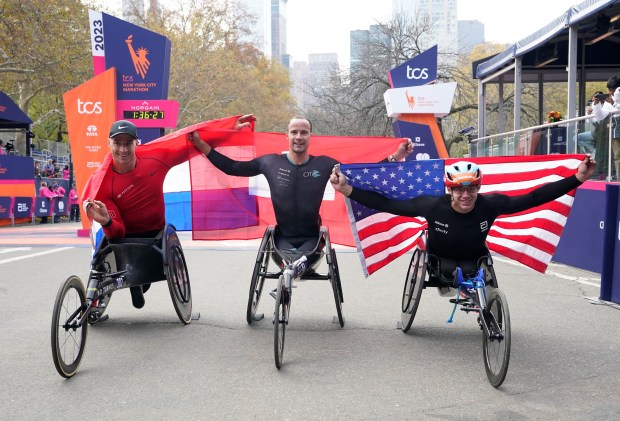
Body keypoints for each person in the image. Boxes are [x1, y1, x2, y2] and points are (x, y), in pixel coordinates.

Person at [188, 115, 413, 269]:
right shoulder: (269, 162)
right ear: (286, 135)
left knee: (296, 266)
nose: (299, 137)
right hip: (281, 239)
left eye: (303, 132)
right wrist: (201, 145)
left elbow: (363, 177)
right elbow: (232, 168)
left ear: (310, 137)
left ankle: (293, 270)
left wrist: (396, 157)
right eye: (294, 132)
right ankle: (290, 271)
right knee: (289, 266)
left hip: (313, 240)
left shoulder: (325, 164)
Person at [330, 156, 595, 285]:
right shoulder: (432, 206)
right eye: (459, 190)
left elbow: (535, 197)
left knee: (478, 277)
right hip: (439, 260)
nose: (466, 195)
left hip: (475, 258)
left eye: (471, 189)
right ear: (450, 190)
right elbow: (387, 204)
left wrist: (577, 179)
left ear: (478, 188)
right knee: (449, 273)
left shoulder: (490, 204)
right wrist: (346, 190)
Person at [83, 118, 250, 308]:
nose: (123, 150)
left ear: (137, 143)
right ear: (109, 143)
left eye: (128, 143)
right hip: (125, 238)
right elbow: (118, 233)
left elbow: (192, 148)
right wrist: (106, 222)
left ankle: (137, 281)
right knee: (118, 249)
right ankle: (134, 279)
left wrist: (228, 131)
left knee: (143, 277)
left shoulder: (155, 157)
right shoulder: (102, 184)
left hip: (156, 232)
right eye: (117, 143)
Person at [592, 76, 620, 179]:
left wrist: (614, 103)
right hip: (615, 131)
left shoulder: (615, 99)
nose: (610, 92)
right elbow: (600, 116)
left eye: (612, 89)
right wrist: (596, 104)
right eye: (609, 89)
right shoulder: (609, 101)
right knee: (617, 156)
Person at [577, 91, 604, 158]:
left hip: (601, 131)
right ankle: (593, 149)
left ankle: (594, 150)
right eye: (595, 97)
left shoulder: (604, 106)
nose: (595, 99)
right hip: (594, 131)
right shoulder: (592, 105)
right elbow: (589, 120)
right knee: (577, 138)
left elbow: (598, 119)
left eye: (598, 97)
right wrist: (589, 113)